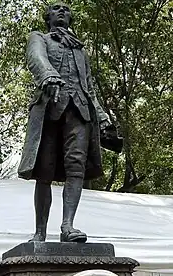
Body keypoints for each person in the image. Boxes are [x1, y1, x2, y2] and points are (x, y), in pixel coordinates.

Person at [18, 2, 122, 243]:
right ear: (48, 17)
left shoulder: (81, 50)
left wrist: (104, 118)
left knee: (77, 167)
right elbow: (36, 59)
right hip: (50, 108)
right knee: (44, 170)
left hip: (80, 112)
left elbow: (89, 88)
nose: (62, 10)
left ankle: (68, 226)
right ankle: (40, 233)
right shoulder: (39, 38)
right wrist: (48, 75)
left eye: (66, 8)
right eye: (56, 8)